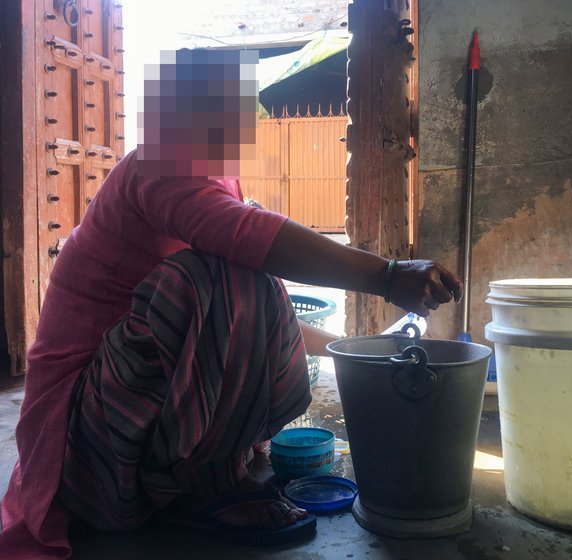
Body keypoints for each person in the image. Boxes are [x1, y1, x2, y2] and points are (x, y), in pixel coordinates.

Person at [0, 49, 462, 559]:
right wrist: (388, 275)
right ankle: (205, 483)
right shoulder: (157, 165)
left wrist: (354, 351)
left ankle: (194, 473)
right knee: (210, 271)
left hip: (125, 444)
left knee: (242, 269)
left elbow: (256, 302)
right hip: (84, 454)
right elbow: (245, 249)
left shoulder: (212, 184)